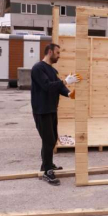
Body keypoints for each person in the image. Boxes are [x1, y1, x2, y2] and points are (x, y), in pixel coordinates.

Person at [31, 43, 81, 186]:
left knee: (52, 140)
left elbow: (58, 87)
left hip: (51, 109)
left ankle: (47, 164)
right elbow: (47, 86)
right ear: (50, 52)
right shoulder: (38, 68)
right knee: (48, 140)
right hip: (42, 110)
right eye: (58, 53)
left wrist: (69, 93)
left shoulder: (52, 70)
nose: (59, 56)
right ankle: (47, 172)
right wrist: (65, 81)